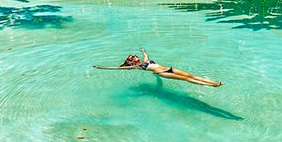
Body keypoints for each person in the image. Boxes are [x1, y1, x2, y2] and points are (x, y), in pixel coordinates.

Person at [93, 48, 223, 87]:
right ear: (132, 62)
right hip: (163, 73)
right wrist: (102, 67)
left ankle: (213, 82)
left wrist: (143, 51)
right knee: (187, 79)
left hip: (169, 68)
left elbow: (146, 57)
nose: (137, 57)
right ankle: (213, 85)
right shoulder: (137, 66)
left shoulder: (144, 61)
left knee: (191, 76)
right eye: (134, 58)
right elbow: (118, 68)